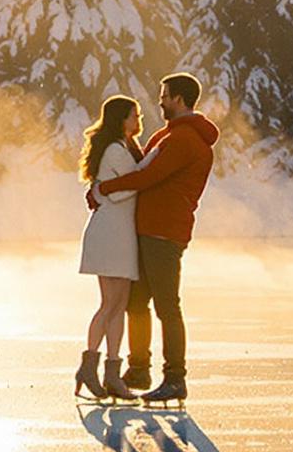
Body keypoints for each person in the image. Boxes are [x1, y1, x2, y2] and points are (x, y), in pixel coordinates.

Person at [86, 71, 218, 404]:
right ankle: (139, 368)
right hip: (146, 231)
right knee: (135, 302)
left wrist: (103, 189)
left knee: (166, 306)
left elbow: (146, 176)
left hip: (164, 232)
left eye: (164, 94)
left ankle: (175, 377)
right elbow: (137, 165)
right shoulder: (167, 135)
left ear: (179, 98)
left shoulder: (185, 140)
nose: (160, 100)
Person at [74, 96, 144, 400]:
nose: (138, 120)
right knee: (110, 304)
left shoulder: (125, 147)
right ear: (120, 119)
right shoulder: (116, 150)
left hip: (120, 233)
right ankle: (89, 365)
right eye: (134, 115)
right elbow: (134, 184)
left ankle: (112, 374)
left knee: (119, 306)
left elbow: (133, 181)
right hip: (110, 234)